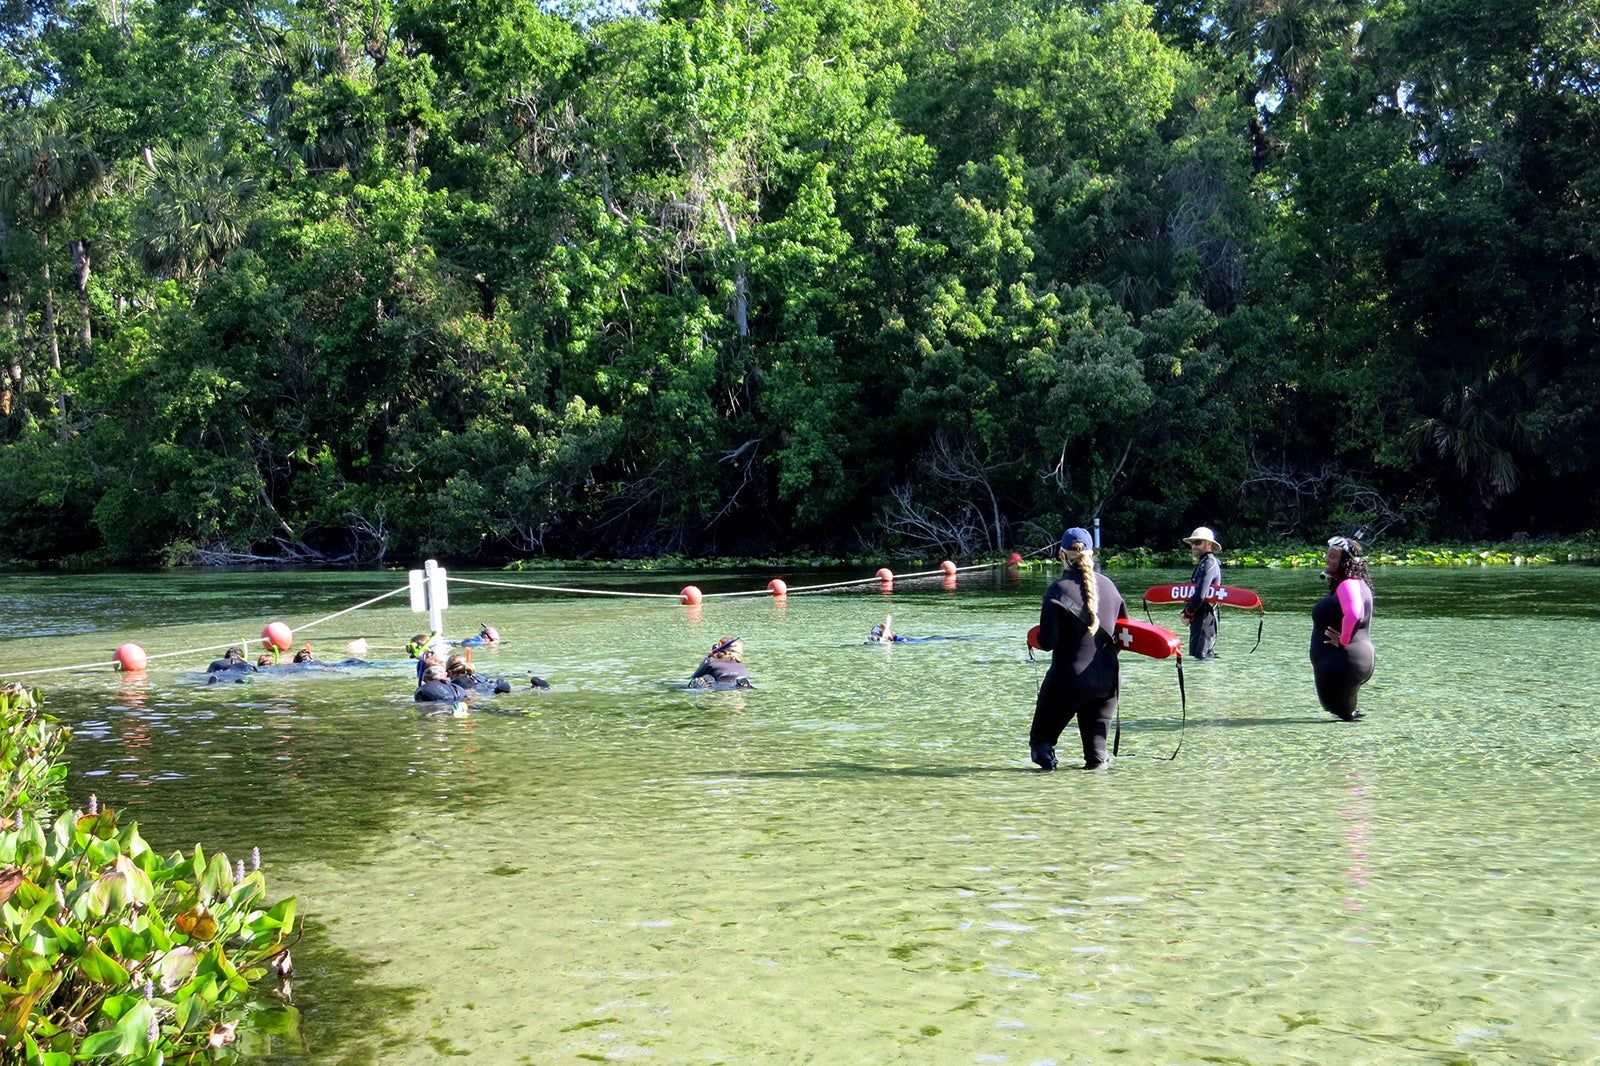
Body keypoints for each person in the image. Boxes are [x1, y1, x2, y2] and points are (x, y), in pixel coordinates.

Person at [1029, 526, 1129, 771]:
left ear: (1061, 554)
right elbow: (1123, 636)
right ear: (1092, 554)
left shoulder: (1057, 590)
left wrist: (1032, 638)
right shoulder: (1110, 587)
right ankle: (1095, 804)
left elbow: (1047, 642)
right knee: (1097, 757)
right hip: (1107, 681)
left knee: (1041, 745)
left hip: (1067, 680)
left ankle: (1048, 800)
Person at [1311, 535, 1375, 721]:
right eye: (1327, 556)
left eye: (1332, 557)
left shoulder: (1348, 585)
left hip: (1343, 662)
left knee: (1338, 711)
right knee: (1345, 715)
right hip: (1352, 661)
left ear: (1345, 562)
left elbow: (1354, 613)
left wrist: (1343, 640)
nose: (1327, 560)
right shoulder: (1359, 584)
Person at [1180, 526, 1223, 660]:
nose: (1193, 546)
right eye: (1192, 543)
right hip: (1202, 616)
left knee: (1200, 658)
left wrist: (1186, 613)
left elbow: (1200, 595)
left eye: (1197, 542)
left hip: (1205, 617)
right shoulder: (1205, 563)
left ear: (1208, 544)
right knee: (1201, 658)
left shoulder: (1208, 563)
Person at [688, 636, 752, 689]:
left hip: (720, 684)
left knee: (703, 679)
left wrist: (704, 661)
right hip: (741, 681)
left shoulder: (710, 661)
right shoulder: (740, 664)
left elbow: (694, 676)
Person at [446, 652, 512, 695]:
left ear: (449, 672)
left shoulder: (456, 683)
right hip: (491, 685)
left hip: (484, 692)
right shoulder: (476, 676)